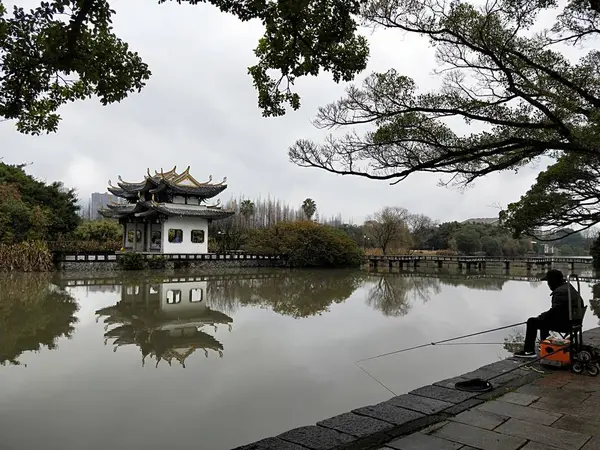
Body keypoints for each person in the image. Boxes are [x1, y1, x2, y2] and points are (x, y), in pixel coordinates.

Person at [513, 269, 584, 358]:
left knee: (532, 321)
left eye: (548, 281)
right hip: (575, 322)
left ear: (553, 281)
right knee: (544, 320)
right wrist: (544, 316)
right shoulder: (569, 287)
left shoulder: (560, 292)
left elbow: (555, 311)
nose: (548, 284)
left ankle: (529, 351)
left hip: (567, 324)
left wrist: (542, 316)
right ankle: (546, 345)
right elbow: (557, 311)